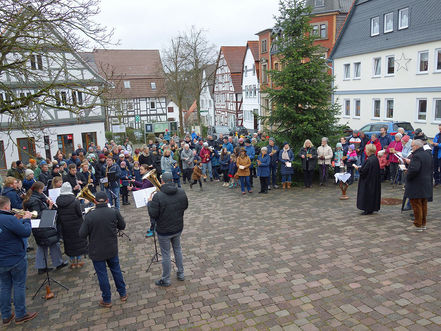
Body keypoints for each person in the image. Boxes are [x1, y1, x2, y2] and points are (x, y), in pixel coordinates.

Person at [79, 192, 127, 307]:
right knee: (116, 270)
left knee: (102, 275)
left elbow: (81, 234)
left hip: (96, 250)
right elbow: (122, 226)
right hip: (111, 248)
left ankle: (107, 299)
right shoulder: (113, 211)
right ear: (107, 201)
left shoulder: (90, 215)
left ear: (95, 201)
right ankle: (123, 293)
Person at [0, 196, 38, 326]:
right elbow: (26, 232)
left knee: (4, 287)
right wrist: (26, 219)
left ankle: (5, 316)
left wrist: (17, 221)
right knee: (18, 285)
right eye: (9, 205)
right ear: (6, 207)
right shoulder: (8, 218)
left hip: (1, 260)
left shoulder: (9, 219)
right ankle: (21, 314)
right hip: (15, 258)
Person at [147, 172, 188, 287]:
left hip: (164, 230)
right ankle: (181, 273)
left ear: (163, 182)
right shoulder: (181, 191)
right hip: (178, 227)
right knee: (178, 249)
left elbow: (153, 214)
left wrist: (149, 203)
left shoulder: (158, 196)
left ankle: (166, 279)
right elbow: (185, 206)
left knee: (165, 254)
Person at [23, 182, 67, 274]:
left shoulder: (36, 197)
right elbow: (39, 215)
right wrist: (49, 207)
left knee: (43, 245)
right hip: (43, 225)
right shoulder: (34, 200)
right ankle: (57, 263)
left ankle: (42, 266)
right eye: (42, 189)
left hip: (41, 226)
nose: (43, 191)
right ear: (38, 189)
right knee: (52, 243)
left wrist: (46, 201)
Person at [56, 183, 88, 269]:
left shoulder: (58, 201)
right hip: (76, 225)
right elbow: (79, 213)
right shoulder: (74, 201)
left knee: (69, 243)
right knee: (77, 243)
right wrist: (84, 204)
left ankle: (72, 262)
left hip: (65, 226)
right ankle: (78, 261)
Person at [404, 140, 433, 232]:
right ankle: (423, 223)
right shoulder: (427, 154)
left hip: (417, 183)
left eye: (412, 146)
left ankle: (417, 224)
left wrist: (407, 173)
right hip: (426, 182)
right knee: (423, 203)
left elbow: (414, 170)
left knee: (416, 204)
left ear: (416, 146)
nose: (411, 148)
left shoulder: (416, 156)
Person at [354, 144, 381, 215]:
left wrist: (358, 168)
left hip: (368, 181)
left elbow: (363, 171)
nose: (365, 151)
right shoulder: (375, 159)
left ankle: (367, 208)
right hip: (373, 180)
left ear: (369, 151)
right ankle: (371, 208)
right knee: (372, 194)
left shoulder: (369, 160)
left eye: (366, 149)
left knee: (367, 194)